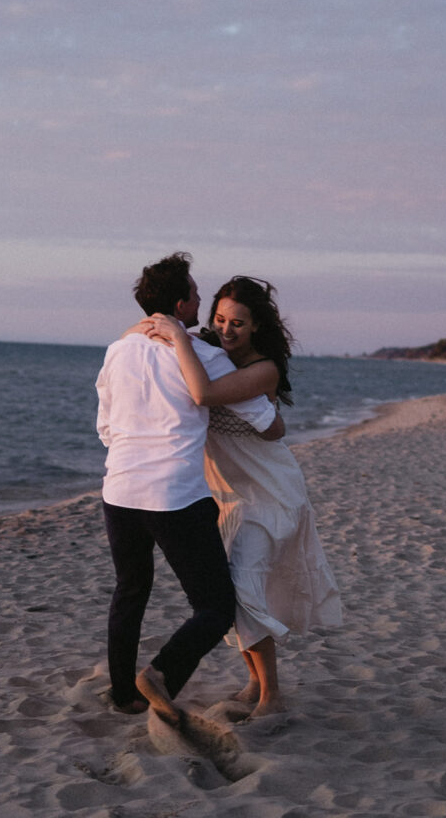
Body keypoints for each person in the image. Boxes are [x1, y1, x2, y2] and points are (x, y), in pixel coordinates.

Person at [95, 254, 284, 725]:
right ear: (181, 305)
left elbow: (105, 425)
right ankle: (161, 675)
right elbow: (264, 420)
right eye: (197, 295)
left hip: (117, 489)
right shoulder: (205, 356)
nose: (202, 300)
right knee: (215, 606)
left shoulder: (119, 349)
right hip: (173, 495)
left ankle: (124, 696)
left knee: (130, 589)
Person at [144, 276, 342, 716]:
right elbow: (140, 334)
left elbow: (205, 394)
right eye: (219, 319)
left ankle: (271, 696)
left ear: (256, 327)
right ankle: (254, 683)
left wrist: (178, 335)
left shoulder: (263, 368)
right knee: (231, 594)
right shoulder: (207, 351)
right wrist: (159, 332)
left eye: (238, 323)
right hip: (227, 498)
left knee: (242, 588)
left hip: (270, 493)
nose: (227, 330)